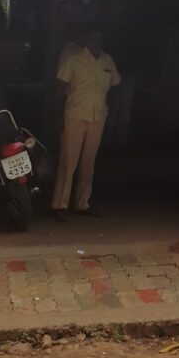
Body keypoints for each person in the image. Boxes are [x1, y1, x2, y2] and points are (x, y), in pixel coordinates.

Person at [51, 26, 120, 222]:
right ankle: (60, 204)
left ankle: (82, 203)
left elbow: (115, 86)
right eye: (93, 39)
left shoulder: (107, 61)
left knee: (89, 162)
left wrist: (110, 111)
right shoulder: (73, 59)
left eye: (100, 39)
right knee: (68, 161)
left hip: (98, 116)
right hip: (74, 115)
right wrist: (57, 116)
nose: (97, 42)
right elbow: (59, 88)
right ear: (86, 40)